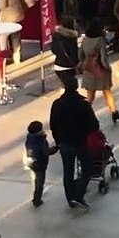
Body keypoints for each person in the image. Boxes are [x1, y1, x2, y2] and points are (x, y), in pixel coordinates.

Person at [49, 74, 100, 211]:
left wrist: (58, 140)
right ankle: (78, 195)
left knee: (68, 171)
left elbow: (53, 125)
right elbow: (94, 125)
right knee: (87, 169)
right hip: (81, 142)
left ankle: (70, 198)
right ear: (77, 87)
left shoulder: (57, 104)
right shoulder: (83, 104)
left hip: (64, 143)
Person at [80, 19, 119, 122]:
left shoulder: (85, 39)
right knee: (107, 92)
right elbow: (103, 58)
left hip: (89, 70)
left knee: (90, 95)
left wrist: (84, 62)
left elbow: (80, 54)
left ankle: (84, 114)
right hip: (100, 70)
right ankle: (114, 112)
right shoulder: (100, 40)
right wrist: (107, 67)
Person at [24, 120, 55, 207]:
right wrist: (55, 149)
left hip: (33, 163)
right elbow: (45, 152)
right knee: (40, 181)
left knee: (37, 179)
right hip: (40, 164)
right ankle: (37, 199)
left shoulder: (30, 139)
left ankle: (37, 195)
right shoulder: (40, 140)